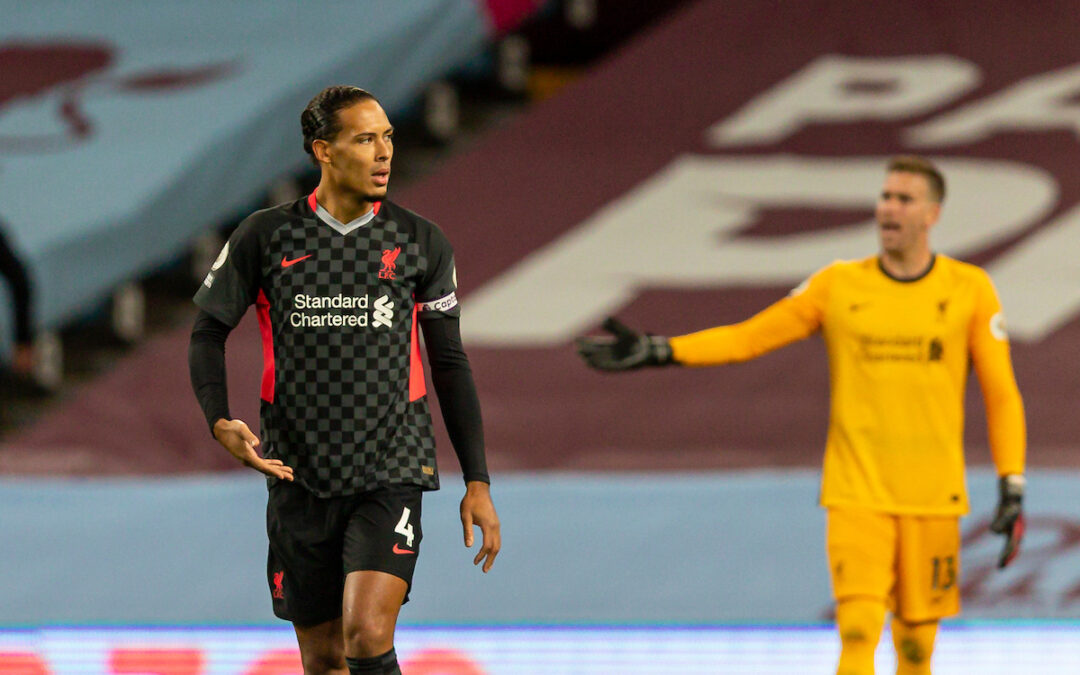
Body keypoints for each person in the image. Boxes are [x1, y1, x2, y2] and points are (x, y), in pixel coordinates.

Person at [577, 156, 1025, 675]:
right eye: (884, 197)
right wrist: (662, 349)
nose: (889, 208)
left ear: (932, 214)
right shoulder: (837, 286)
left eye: (904, 199)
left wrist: (1011, 483)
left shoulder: (969, 289)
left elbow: (1002, 395)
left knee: (917, 649)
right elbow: (748, 337)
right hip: (857, 493)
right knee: (857, 632)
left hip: (933, 495)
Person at [188, 85, 500, 675]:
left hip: (390, 468)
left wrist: (477, 480)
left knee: (365, 633)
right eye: (364, 139)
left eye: (387, 137)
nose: (384, 152)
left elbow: (450, 364)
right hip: (297, 473)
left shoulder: (419, 242)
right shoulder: (265, 237)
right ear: (323, 150)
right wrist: (219, 420)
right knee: (326, 657)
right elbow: (206, 334)